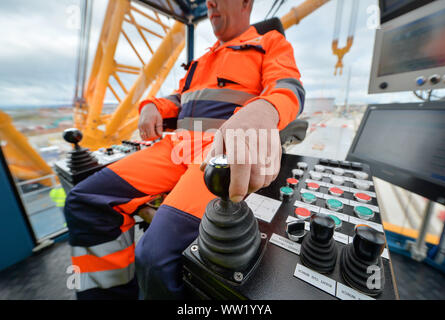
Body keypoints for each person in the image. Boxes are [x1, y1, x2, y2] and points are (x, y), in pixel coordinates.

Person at [64, 0, 305, 300]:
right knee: (84, 201)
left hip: (216, 151)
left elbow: (288, 87)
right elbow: (180, 99)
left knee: (156, 256)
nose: (210, 3)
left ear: (246, 3)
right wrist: (152, 105)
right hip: (174, 147)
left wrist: (265, 109)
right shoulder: (201, 59)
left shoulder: (269, 42)